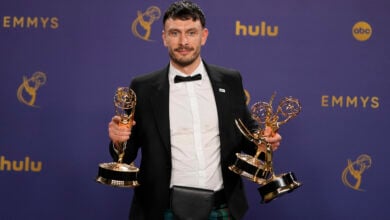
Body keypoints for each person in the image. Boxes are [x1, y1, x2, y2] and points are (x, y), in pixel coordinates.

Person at [108, 1, 282, 219]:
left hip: (221, 207)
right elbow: (126, 153)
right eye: (175, 33)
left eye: (191, 32)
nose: (183, 41)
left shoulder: (230, 81)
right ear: (164, 37)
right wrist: (118, 140)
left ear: (204, 35)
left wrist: (264, 140)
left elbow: (247, 136)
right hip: (162, 209)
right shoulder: (142, 88)